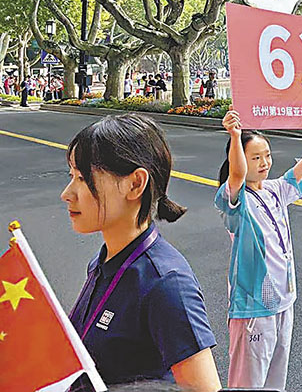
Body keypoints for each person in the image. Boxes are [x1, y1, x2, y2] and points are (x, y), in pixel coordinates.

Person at [62, 114, 220, 392]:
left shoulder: (166, 283)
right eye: (72, 176)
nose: (67, 193)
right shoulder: (102, 263)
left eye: (83, 178)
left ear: (135, 183)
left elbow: (202, 389)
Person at [215, 108, 302, 389]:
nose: (264, 162)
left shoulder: (276, 189)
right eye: (255, 157)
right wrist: (235, 136)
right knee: (249, 384)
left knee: (275, 382)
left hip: (284, 301)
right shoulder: (234, 201)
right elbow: (237, 173)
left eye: (266, 155)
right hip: (254, 309)